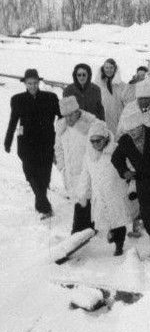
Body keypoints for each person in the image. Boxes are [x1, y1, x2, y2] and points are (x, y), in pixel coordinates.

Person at [112, 107, 150, 260]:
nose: (132, 133)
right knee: (147, 219)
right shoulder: (125, 141)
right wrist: (125, 171)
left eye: (135, 130)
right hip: (142, 183)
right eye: (129, 131)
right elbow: (116, 158)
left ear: (141, 126)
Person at [77, 120, 138, 256]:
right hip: (99, 194)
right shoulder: (89, 157)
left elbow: (131, 168)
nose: (95, 144)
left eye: (98, 141)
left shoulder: (116, 150)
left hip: (116, 193)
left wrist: (132, 186)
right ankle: (113, 236)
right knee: (105, 221)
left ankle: (119, 246)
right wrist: (82, 194)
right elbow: (85, 176)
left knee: (118, 220)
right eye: (92, 141)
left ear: (105, 139)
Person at [5, 69, 59, 218]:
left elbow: (61, 118)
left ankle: (40, 202)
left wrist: (62, 139)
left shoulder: (50, 97)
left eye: (35, 83)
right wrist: (7, 141)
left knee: (44, 175)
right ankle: (44, 206)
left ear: (39, 82)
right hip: (26, 144)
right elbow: (13, 121)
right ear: (25, 83)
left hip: (46, 142)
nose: (33, 86)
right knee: (30, 173)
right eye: (30, 83)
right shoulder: (17, 99)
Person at [55, 96, 98, 233]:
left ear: (77, 111)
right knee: (79, 200)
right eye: (65, 116)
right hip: (70, 172)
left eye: (70, 115)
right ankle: (88, 227)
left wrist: (92, 167)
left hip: (86, 171)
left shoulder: (89, 125)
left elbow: (96, 148)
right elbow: (58, 149)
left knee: (84, 199)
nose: (68, 119)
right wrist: (61, 167)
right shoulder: (61, 128)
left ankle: (79, 231)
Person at [94, 59, 129, 135]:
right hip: (103, 120)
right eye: (106, 67)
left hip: (119, 120)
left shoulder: (122, 85)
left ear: (115, 68)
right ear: (103, 69)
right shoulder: (97, 85)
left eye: (111, 67)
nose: (109, 70)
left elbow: (127, 103)